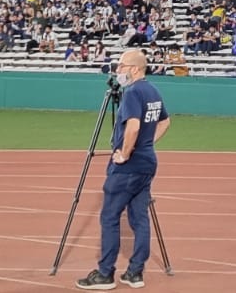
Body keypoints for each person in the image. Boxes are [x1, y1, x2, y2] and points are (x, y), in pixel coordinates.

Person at [78, 49, 171, 291]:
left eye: (121, 66)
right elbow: (165, 121)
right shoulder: (153, 90)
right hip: (147, 162)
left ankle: (105, 273)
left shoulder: (133, 92)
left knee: (109, 216)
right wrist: (147, 143)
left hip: (129, 166)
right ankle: (135, 272)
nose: (118, 70)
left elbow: (133, 126)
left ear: (134, 68)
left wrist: (125, 153)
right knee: (140, 217)